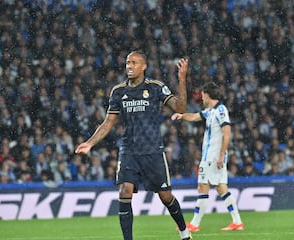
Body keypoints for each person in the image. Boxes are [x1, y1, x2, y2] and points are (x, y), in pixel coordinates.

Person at [75, 51, 192, 240]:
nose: (129, 66)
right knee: (125, 190)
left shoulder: (155, 87)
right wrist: (90, 143)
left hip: (153, 150)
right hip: (129, 150)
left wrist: (181, 79)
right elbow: (108, 122)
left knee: (165, 196)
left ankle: (184, 232)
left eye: (134, 63)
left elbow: (180, 108)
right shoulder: (119, 91)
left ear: (143, 66)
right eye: (127, 62)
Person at [171, 81, 244, 232]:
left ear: (207, 95)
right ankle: (237, 222)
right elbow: (195, 117)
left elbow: (227, 134)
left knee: (203, 187)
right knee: (221, 188)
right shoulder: (210, 111)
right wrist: (181, 116)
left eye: (203, 95)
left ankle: (195, 224)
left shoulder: (221, 110)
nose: (201, 98)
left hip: (213, 157)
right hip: (211, 157)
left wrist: (221, 155)